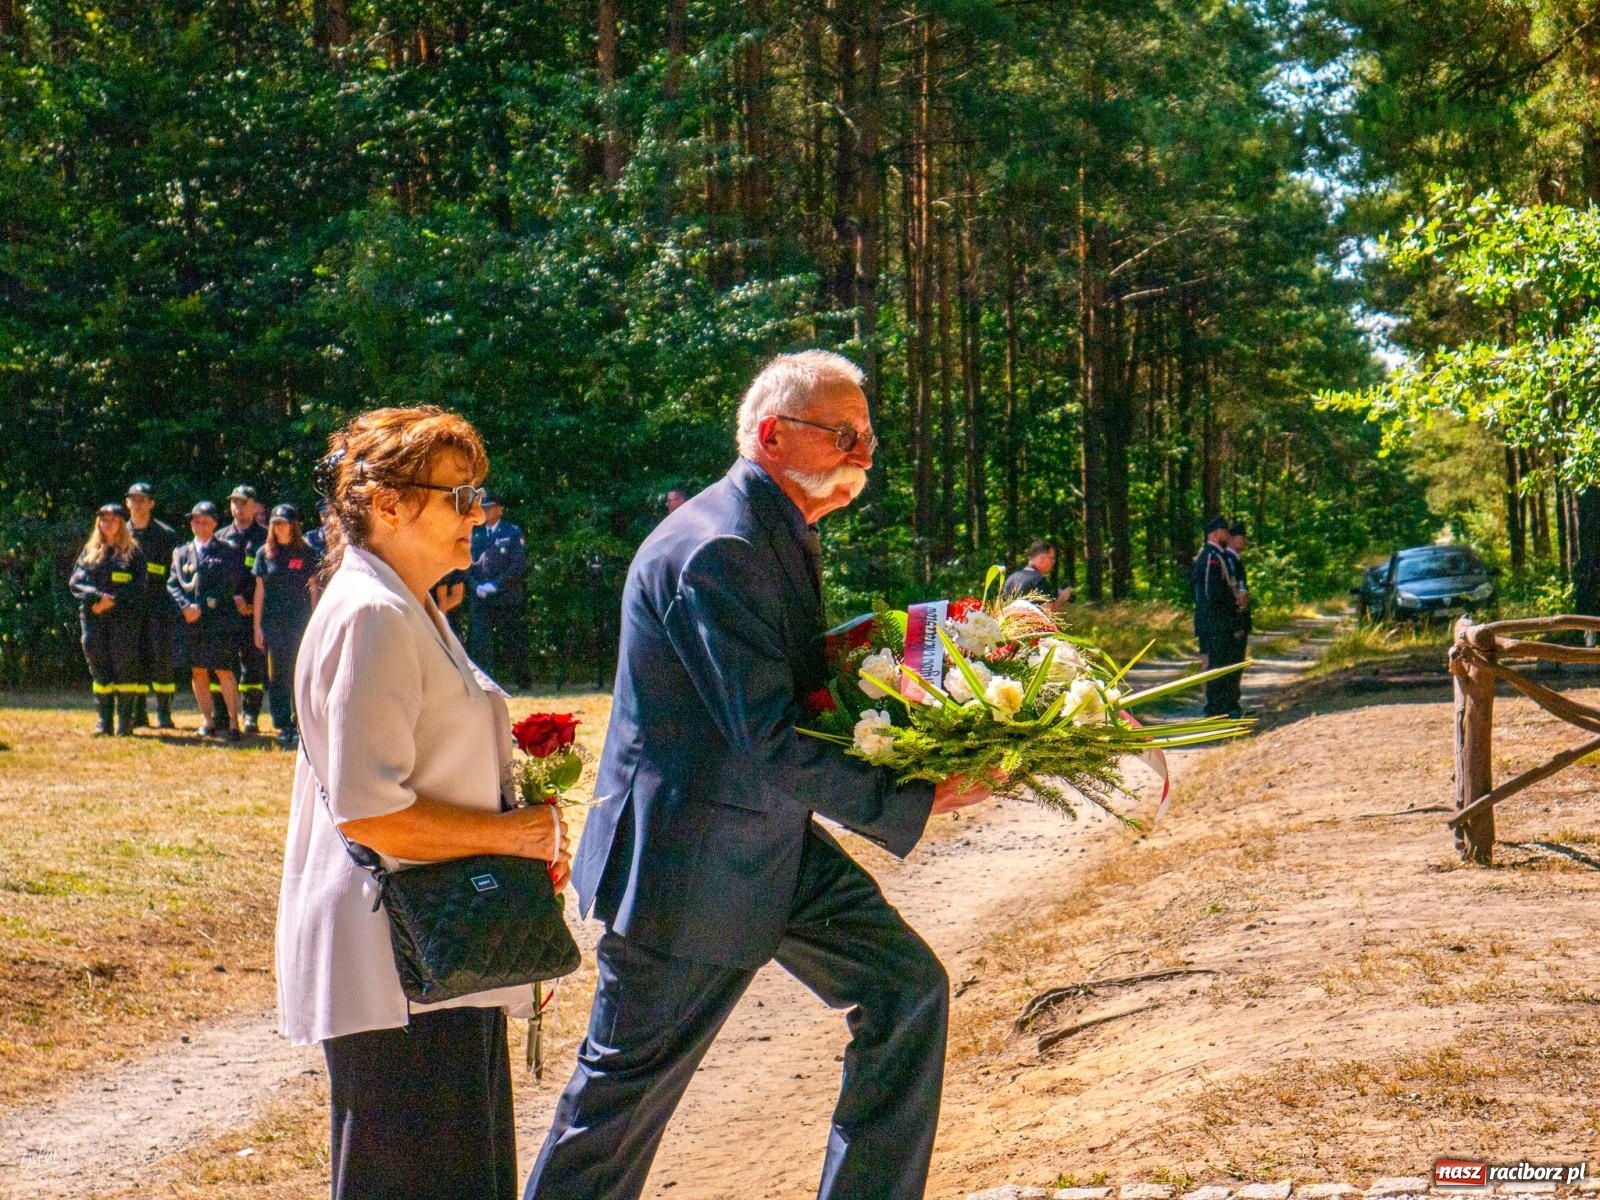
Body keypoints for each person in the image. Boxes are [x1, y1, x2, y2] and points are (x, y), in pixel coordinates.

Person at [525, 350, 993, 1200]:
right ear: (774, 436)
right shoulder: (721, 547)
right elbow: (770, 738)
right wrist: (910, 795)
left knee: (905, 993)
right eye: (845, 435)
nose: (865, 453)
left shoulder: (777, 527)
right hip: (688, 864)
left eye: (870, 437)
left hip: (765, 842)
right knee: (615, 1115)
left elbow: (798, 693)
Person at [275, 406, 570, 1200]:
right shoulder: (373, 613)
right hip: (397, 959)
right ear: (386, 503)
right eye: (457, 496)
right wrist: (512, 838)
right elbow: (371, 813)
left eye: (477, 494)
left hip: (435, 949)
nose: (476, 514)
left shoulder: (410, 603)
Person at [169, 501, 247, 741]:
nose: (199, 525)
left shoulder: (227, 550)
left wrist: (201, 607)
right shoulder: (181, 552)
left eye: (204, 521)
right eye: (195, 520)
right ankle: (207, 720)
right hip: (191, 622)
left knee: (224, 671)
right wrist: (185, 607)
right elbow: (173, 583)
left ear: (214, 524)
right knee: (198, 671)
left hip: (218, 621)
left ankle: (234, 723)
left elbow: (229, 585)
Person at [69, 503, 147, 736]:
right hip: (94, 616)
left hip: (123, 617)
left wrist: (113, 600)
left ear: (122, 523)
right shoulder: (90, 550)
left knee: (124, 666)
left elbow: (139, 586)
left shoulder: (133, 552)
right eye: (103, 519)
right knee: (99, 665)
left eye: (112, 519)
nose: (107, 523)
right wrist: (96, 598)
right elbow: (76, 582)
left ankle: (125, 722)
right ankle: (104, 722)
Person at [252, 503, 321, 750]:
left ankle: (302, 721)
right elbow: (259, 591)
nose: (280, 528)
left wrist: (316, 622)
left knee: (301, 674)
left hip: (300, 622)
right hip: (273, 624)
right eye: (276, 524)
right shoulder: (264, 553)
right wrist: (257, 627)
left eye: (284, 523)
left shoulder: (307, 552)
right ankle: (283, 725)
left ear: (294, 525)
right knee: (278, 675)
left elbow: (314, 588)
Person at [124, 482, 181, 728]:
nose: (137, 503)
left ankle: (164, 712)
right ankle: (138, 713)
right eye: (132, 499)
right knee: (134, 659)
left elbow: (175, 573)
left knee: (162, 660)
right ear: (127, 503)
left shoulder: (166, 536)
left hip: (160, 608)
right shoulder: (120, 534)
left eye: (141, 499)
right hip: (131, 610)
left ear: (151, 503)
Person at [217, 484, 269, 734]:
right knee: (222, 661)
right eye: (234, 502)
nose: (238, 507)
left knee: (253, 665)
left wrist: (251, 603)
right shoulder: (220, 536)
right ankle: (222, 715)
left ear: (254, 505)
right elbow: (214, 576)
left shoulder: (266, 537)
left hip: (253, 613)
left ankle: (250, 716)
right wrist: (233, 597)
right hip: (226, 612)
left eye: (243, 503)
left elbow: (267, 575)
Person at [468, 494, 530, 689]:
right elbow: (466, 564)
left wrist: (496, 584)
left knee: (513, 640)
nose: (485, 512)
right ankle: (485, 684)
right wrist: (474, 585)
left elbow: (518, 565)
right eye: (483, 508)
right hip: (481, 598)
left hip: (506, 597)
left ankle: (523, 680)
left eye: (489, 508)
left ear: (499, 509)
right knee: (480, 641)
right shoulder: (476, 534)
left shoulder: (511, 532)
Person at [1190, 515, 1241, 718]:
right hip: (1214, 623)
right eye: (1224, 530)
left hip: (1219, 622)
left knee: (1222, 662)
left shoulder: (1217, 556)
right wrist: (1231, 606)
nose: (1228, 534)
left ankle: (1222, 706)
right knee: (1215, 664)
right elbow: (1211, 593)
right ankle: (1214, 708)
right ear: (1214, 533)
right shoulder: (1210, 557)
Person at [1223, 520, 1252, 714]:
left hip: (1239, 619)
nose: (1245, 542)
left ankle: (1233, 703)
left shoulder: (1235, 560)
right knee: (1232, 663)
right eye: (1241, 537)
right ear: (1232, 539)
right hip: (1234, 620)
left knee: (1237, 663)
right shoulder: (1229, 560)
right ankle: (1229, 705)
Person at [1002, 539, 1074, 610]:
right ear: (1042, 558)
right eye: (1051, 559)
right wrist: (1063, 596)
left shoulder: (1010, 579)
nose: (1053, 563)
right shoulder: (1038, 580)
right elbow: (1049, 611)